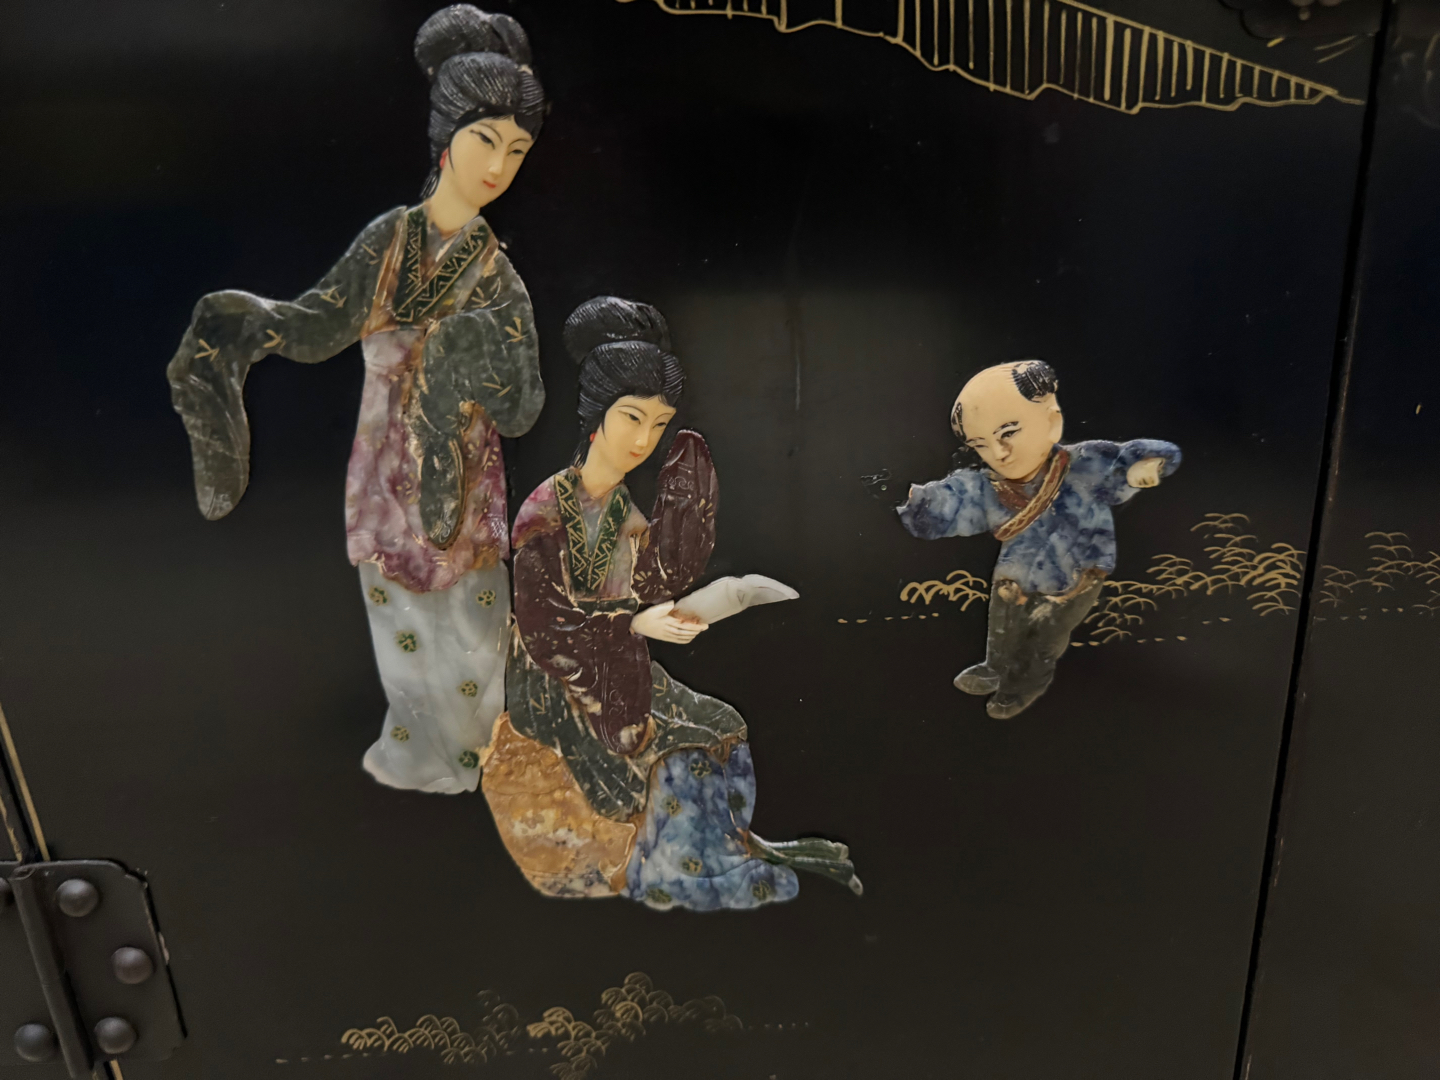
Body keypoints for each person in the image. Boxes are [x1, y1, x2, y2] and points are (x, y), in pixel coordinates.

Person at [165, 5, 547, 793]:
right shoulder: (391, 241)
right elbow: (318, 327)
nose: (499, 166)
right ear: (447, 140)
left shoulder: (495, 272)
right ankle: (418, 758)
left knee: (473, 631)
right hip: (387, 459)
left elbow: (523, 402)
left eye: (517, 150)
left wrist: (461, 358)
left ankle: (477, 762)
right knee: (402, 627)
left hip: (462, 468)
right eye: (486, 141)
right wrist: (246, 330)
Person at [482, 296, 862, 910]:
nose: (644, 439)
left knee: (720, 723)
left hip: (616, 663)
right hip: (559, 682)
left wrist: (690, 531)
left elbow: (650, 585)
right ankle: (671, 869)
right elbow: (543, 625)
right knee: (680, 745)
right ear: (596, 415)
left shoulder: (621, 511)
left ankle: (725, 845)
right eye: (632, 417)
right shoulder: (546, 511)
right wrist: (634, 623)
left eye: (658, 425)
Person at [897, 360, 1181, 719]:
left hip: (1075, 577)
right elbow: (955, 502)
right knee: (1003, 628)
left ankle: (1026, 683)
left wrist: (1143, 467)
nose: (998, 454)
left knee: (1044, 639)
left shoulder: (1084, 464)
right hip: (1014, 575)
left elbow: (1125, 463)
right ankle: (995, 667)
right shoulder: (990, 487)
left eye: (1008, 433)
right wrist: (919, 502)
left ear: (1052, 422)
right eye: (981, 445)